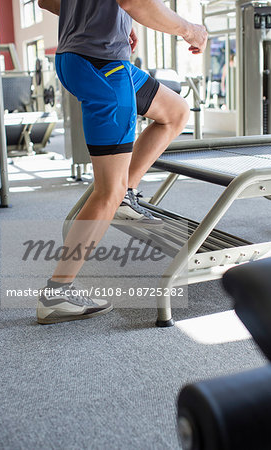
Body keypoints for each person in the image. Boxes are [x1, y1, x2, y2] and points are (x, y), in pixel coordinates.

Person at [36, 0, 208, 324]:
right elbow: (136, 2)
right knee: (107, 193)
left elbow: (48, 0)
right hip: (102, 66)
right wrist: (191, 31)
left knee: (175, 111)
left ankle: (126, 194)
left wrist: (111, 19)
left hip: (84, 57)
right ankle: (57, 292)